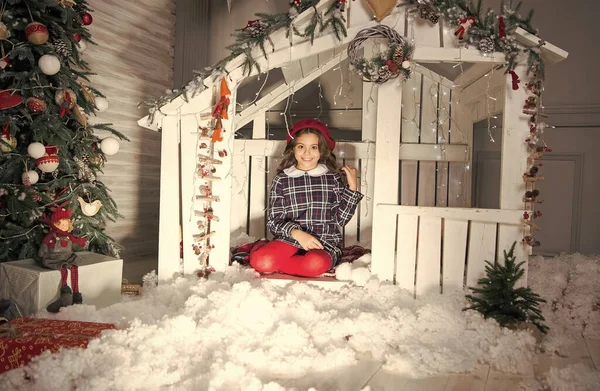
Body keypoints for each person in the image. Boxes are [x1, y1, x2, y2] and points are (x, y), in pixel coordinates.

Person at [249, 119, 363, 277]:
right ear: (293, 149)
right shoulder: (282, 180)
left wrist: (352, 188)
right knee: (261, 262)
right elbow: (274, 221)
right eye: (301, 146)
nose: (307, 153)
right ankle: (264, 250)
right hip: (290, 238)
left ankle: (281, 264)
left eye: (314, 147)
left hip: (323, 243)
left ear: (322, 150)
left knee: (315, 264)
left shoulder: (333, 178)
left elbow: (340, 220)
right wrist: (297, 233)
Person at [37, 207, 87, 313]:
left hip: (67, 257)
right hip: (54, 258)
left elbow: (78, 241)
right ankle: (65, 294)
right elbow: (44, 246)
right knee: (63, 268)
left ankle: (76, 296)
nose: (64, 226)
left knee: (74, 267)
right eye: (62, 224)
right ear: (55, 224)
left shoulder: (69, 236)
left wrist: (81, 241)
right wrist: (41, 254)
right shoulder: (51, 237)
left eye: (66, 224)